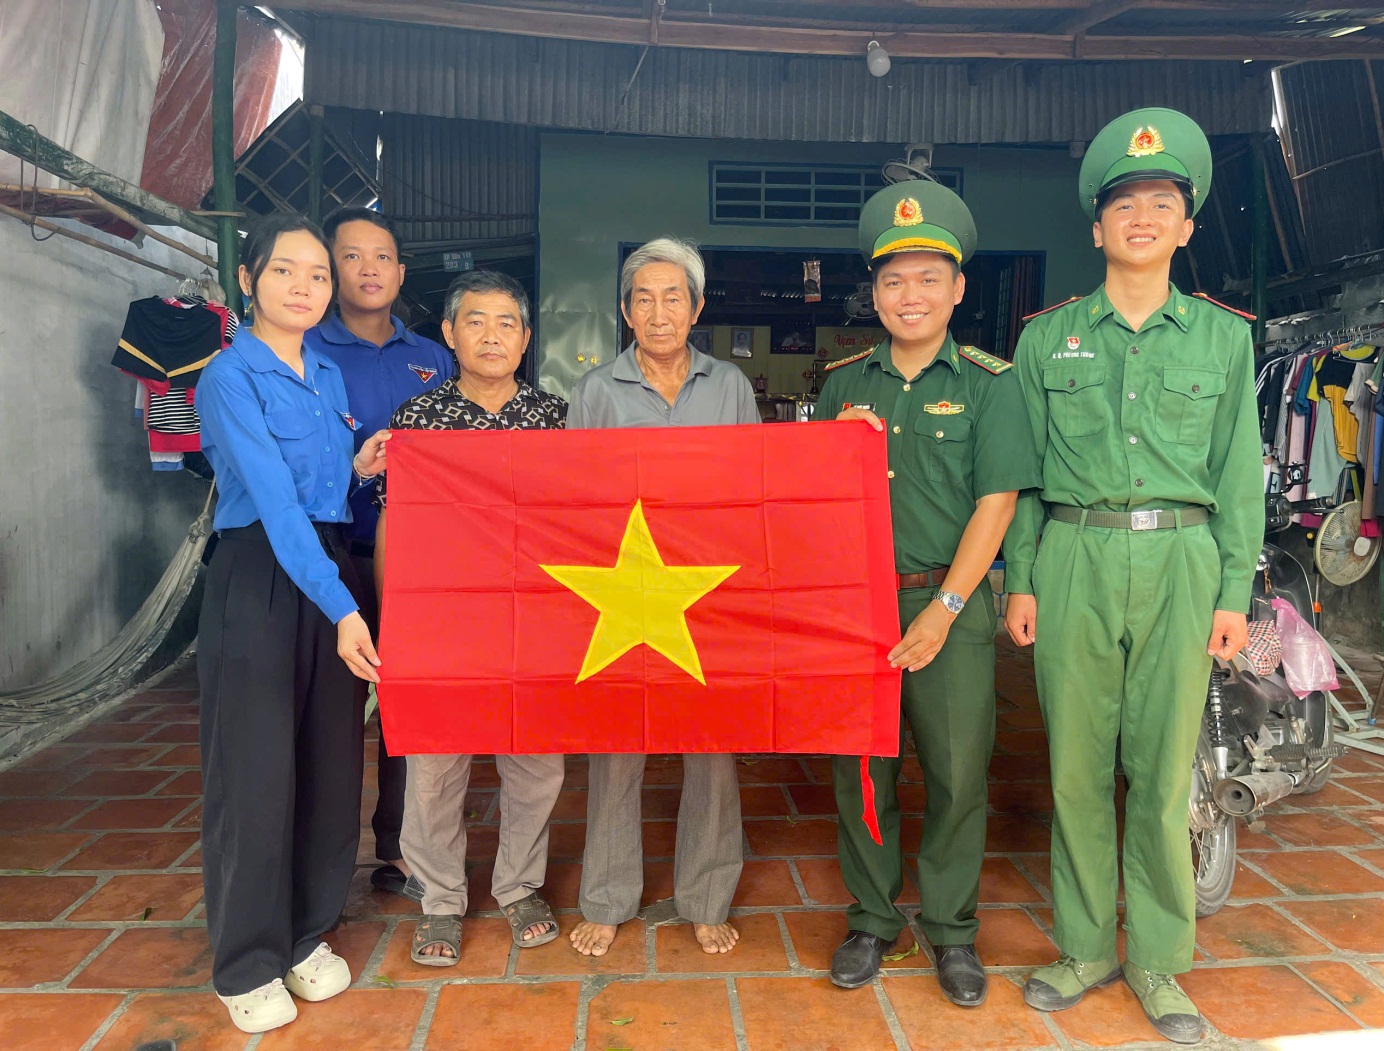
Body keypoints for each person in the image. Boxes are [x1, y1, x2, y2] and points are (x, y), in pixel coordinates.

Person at [1001, 108, 1262, 1044]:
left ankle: (1157, 958)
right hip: (1073, 553)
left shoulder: (1224, 338)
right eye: (1124, 204)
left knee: (1158, 772)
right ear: (1097, 226)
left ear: (1186, 227)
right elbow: (1024, 475)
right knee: (1075, 766)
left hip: (1182, 560)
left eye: (1161, 203)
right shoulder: (1047, 340)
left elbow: (1239, 474)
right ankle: (1084, 947)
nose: (1141, 218)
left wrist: (1233, 594)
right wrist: (1021, 578)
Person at [819, 181, 1041, 1001]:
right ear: (874, 293)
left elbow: (998, 502)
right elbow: (815, 498)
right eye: (892, 280)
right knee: (863, 769)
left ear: (957, 288)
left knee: (955, 772)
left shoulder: (990, 383)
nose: (908, 295)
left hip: (950, 604)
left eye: (926, 278)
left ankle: (951, 928)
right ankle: (872, 917)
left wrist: (946, 610)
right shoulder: (843, 383)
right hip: (857, 605)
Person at [196, 213, 390, 1034]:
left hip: (329, 564)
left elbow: (320, 492)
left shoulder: (327, 374)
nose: (305, 287)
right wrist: (345, 607)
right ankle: (247, 958)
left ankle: (307, 931)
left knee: (330, 764)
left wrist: (358, 467)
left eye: (317, 274)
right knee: (255, 770)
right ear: (249, 280)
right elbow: (274, 504)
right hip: (261, 578)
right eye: (285, 271)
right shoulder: (227, 377)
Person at [566, 236, 759, 958]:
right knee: (617, 744)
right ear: (625, 311)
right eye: (642, 299)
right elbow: (572, 499)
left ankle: (706, 897)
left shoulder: (730, 386)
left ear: (696, 308)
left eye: (672, 297)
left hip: (708, 590)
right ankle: (607, 897)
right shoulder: (595, 392)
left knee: (712, 746)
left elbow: (757, 487)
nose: (658, 312)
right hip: (621, 589)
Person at [374, 270, 570, 964]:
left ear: (525, 337)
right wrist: (393, 616)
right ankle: (440, 898)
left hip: (533, 616)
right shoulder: (418, 419)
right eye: (476, 321)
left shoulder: (554, 418)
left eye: (507, 322)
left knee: (536, 761)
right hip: (442, 619)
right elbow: (396, 521)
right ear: (449, 334)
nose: (492, 335)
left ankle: (519, 885)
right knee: (435, 765)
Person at [304, 207, 455, 903]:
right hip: (337, 554)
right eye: (352, 255)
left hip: (423, 560)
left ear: (400, 271)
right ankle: (325, 864)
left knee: (410, 699)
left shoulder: (433, 356)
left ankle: (400, 845)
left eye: (383, 256)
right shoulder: (307, 351)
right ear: (331, 269)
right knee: (336, 709)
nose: (369, 269)